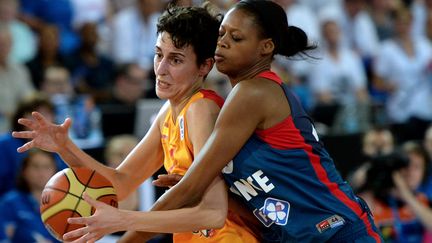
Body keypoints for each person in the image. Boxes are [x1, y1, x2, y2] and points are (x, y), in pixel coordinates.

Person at [13, 4, 258, 243]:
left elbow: (213, 214)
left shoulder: (200, 109)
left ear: (204, 66)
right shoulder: (169, 112)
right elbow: (120, 185)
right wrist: (65, 146)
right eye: (159, 54)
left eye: (175, 60)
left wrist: (123, 219)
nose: (160, 69)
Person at [0, 149, 60, 243]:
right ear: (24, 171)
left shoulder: (64, 204)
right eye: (35, 166)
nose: (41, 172)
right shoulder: (9, 203)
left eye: (46, 167)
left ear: (56, 172)